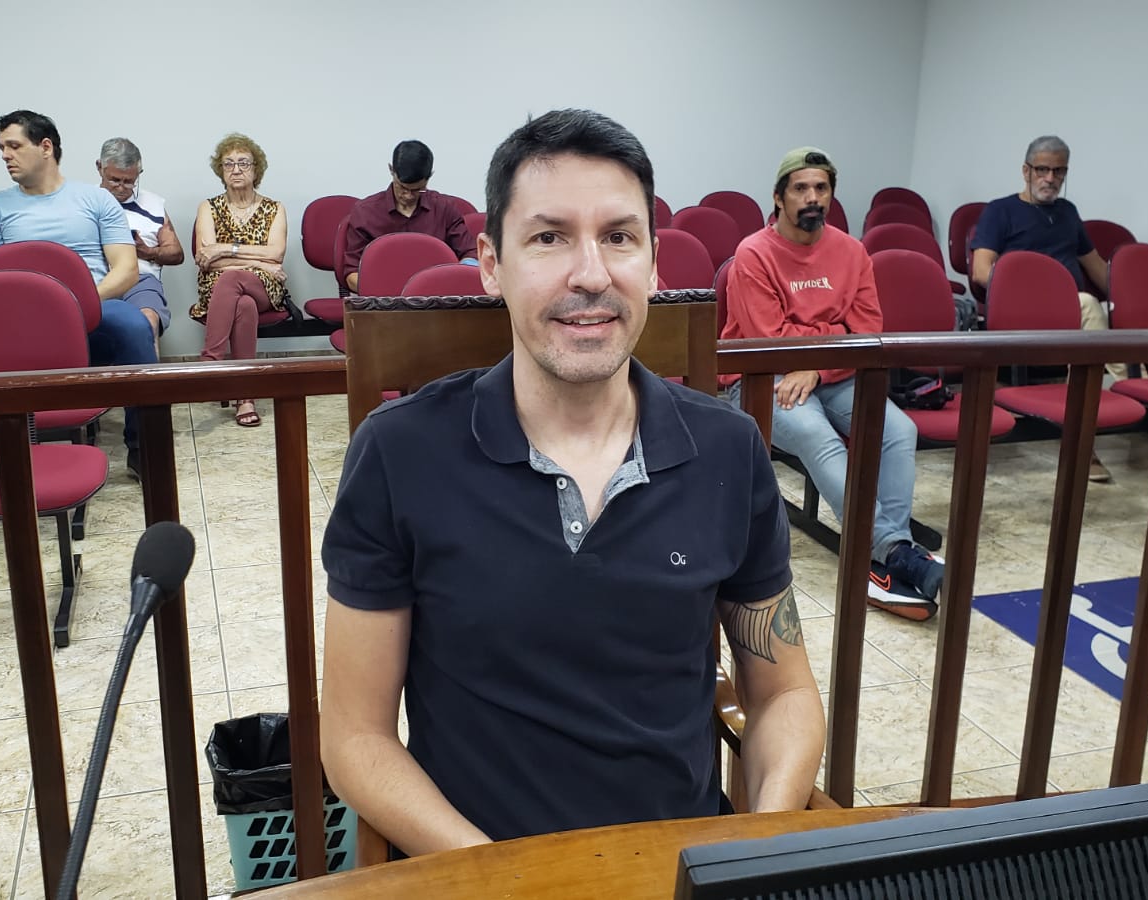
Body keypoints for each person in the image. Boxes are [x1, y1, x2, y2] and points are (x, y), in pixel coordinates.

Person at [319, 109, 824, 857]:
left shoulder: (727, 449)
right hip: (479, 869)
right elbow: (356, 737)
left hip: (677, 864)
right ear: (491, 263)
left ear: (654, 264)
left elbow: (782, 692)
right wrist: (500, 880)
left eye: (619, 237)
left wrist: (756, 847)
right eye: (549, 238)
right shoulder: (399, 453)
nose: (591, 274)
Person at [721, 147, 943, 622]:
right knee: (816, 434)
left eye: (821, 188)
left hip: (830, 374)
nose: (812, 197)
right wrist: (833, 337)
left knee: (898, 431)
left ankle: (887, 554)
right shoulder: (753, 254)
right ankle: (894, 551)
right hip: (762, 378)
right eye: (801, 188)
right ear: (778, 197)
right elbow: (769, 339)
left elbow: (867, 330)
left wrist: (819, 368)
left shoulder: (852, 252)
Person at [0, 110, 153, 480]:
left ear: (45, 147)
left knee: (136, 327)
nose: (5, 155)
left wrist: (74, 305)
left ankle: (145, 450)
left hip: (94, 306)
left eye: (14, 146)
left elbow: (126, 270)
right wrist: (44, 310)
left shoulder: (97, 199)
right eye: (2, 148)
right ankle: (13, 453)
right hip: (24, 314)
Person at [969, 135, 1126, 482]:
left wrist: (1132, 299)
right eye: (1042, 170)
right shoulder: (1000, 210)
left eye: (1059, 171)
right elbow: (981, 272)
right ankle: (1124, 387)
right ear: (1026, 171)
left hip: (1068, 315)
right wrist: (1033, 294)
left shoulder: (1068, 213)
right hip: (1023, 309)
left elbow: (1097, 268)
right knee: (1088, 305)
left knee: (1098, 309)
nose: (1050, 179)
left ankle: (1087, 431)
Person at [190, 133, 290, 428]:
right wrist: (258, 261)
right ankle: (246, 397)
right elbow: (205, 258)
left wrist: (225, 249)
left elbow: (277, 253)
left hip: (264, 285)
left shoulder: (274, 208)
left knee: (233, 277)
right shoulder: (208, 207)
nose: (236, 169)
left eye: (243, 163)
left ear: (256, 169)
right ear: (220, 171)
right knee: (243, 304)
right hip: (219, 284)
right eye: (228, 164)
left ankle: (211, 362)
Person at [341, 139, 475, 292]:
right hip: (383, 298)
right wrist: (382, 292)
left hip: (435, 296)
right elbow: (351, 272)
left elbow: (470, 253)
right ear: (391, 170)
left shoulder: (444, 208)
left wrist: (459, 279)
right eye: (402, 187)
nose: (408, 195)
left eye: (417, 189)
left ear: (429, 177)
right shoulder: (366, 212)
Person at [96, 137, 181, 355]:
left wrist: (148, 252)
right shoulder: (85, 201)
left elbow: (176, 253)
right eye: (114, 180)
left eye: (129, 181)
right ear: (99, 168)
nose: (121, 188)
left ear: (138, 174)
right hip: (96, 279)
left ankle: (147, 376)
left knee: (147, 320)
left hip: (139, 280)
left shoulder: (153, 204)